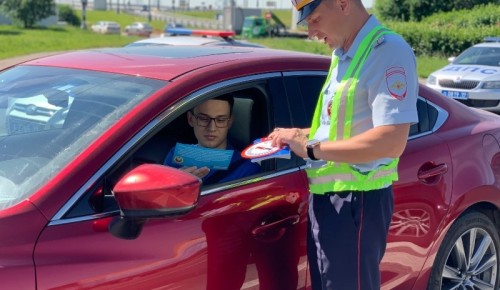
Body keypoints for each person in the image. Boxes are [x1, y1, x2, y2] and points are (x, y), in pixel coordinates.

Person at [269, 0, 419, 289]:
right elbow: (340, 127)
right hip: (328, 199)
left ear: (342, 4)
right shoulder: (343, 52)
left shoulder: (387, 50)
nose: (310, 32)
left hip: (357, 202)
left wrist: (311, 148)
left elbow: (390, 140)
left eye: (314, 19)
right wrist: (297, 135)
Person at [164, 94, 261, 185]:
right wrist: (174, 183)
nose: (212, 128)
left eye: (221, 120)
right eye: (203, 119)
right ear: (190, 119)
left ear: (229, 122)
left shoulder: (247, 168)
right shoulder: (176, 155)